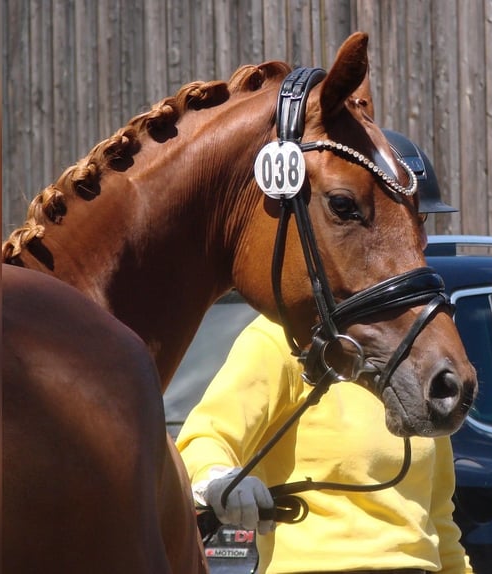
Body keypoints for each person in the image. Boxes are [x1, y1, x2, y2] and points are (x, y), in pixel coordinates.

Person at [175, 131, 472, 574]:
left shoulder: (417, 361)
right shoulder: (283, 340)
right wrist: (219, 480)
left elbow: (440, 522)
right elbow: (205, 439)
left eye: (419, 225)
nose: (415, 240)